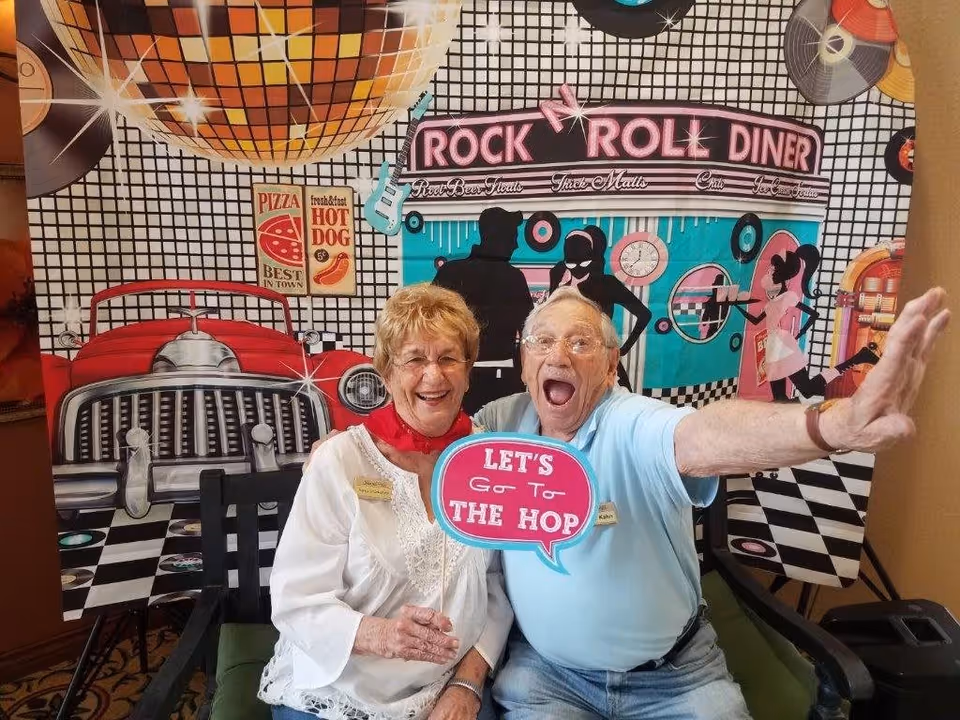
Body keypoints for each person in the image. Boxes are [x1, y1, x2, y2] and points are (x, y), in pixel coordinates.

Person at [473, 285, 950, 720]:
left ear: (610, 362)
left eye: (580, 342)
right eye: (542, 341)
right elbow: (430, 456)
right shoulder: (500, 421)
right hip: (548, 677)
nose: (559, 356)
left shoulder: (632, 422)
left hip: (673, 677)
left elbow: (701, 436)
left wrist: (832, 427)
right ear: (522, 360)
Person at [259, 284, 513, 720]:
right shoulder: (341, 461)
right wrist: (383, 636)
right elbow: (296, 600)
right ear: (387, 373)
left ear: (469, 370)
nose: (434, 376)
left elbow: (498, 586)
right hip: (342, 688)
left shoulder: (491, 461)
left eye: (448, 358)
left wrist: (468, 684)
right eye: (415, 358)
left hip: (447, 684)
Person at [734, 245, 880, 400]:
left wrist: (800, 333)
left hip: (783, 345)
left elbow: (814, 314)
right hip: (773, 346)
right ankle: (852, 378)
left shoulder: (788, 296)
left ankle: (858, 361)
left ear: (779, 274)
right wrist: (736, 305)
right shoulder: (772, 302)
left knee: (807, 390)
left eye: (771, 270)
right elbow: (756, 321)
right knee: (779, 397)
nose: (768, 273)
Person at [433, 207, 533, 414]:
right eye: (513, 237)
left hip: (452, 379)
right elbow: (529, 331)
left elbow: (427, 327)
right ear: (498, 237)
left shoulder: (450, 271)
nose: (516, 244)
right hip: (500, 382)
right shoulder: (513, 278)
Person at [548, 225, 652, 390]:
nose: (578, 269)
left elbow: (644, 314)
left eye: (584, 262)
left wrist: (624, 348)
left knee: (616, 407)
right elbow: (550, 319)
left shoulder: (607, 284)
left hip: (603, 362)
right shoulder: (562, 288)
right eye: (572, 264)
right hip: (569, 363)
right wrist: (554, 283)